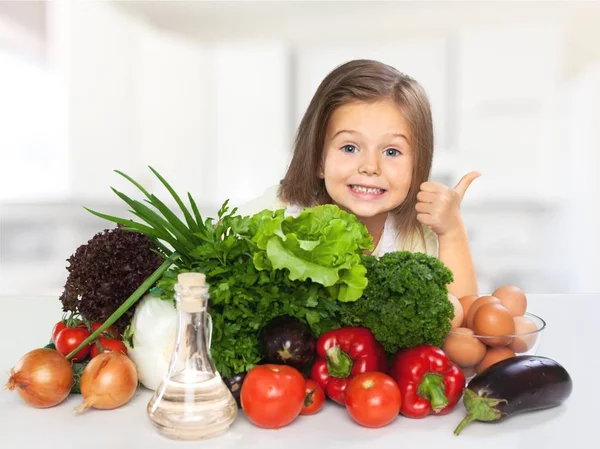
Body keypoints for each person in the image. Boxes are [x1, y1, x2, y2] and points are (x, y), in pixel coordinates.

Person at [236, 59, 479, 298]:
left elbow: (462, 316)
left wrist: (452, 231)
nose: (370, 167)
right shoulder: (277, 215)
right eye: (350, 148)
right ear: (319, 160)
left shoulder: (416, 235)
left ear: (417, 165)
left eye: (391, 152)